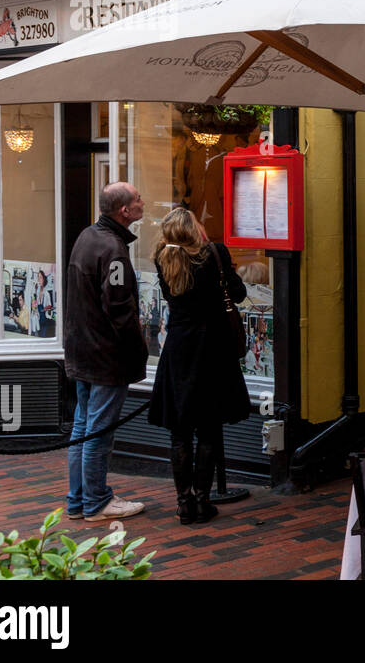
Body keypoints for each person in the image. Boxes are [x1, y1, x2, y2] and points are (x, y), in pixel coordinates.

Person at [150, 208, 250, 524]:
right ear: (195, 230)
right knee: (208, 428)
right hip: (213, 348)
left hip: (179, 348)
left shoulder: (162, 258)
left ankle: (184, 503)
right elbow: (238, 292)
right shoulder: (215, 254)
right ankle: (203, 500)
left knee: (180, 433)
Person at [63, 182, 149, 522]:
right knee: (98, 431)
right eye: (138, 199)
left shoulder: (88, 236)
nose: (143, 201)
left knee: (83, 427)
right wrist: (138, 349)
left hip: (81, 349)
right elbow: (119, 309)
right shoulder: (113, 248)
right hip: (105, 356)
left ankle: (79, 500)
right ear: (124, 211)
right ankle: (96, 501)